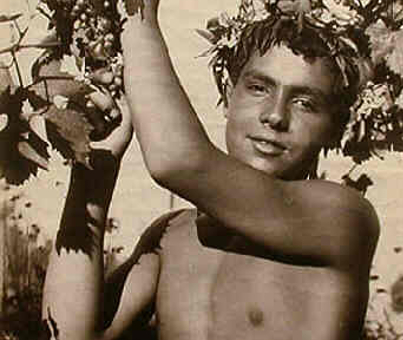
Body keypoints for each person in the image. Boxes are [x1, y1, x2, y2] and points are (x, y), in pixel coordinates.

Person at [42, 1, 380, 339]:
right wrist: (95, 169)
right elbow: (64, 334)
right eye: (259, 88)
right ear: (228, 94)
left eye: (305, 102)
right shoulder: (174, 234)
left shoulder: (343, 218)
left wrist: (136, 12)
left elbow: (178, 161)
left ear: (336, 127)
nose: (275, 116)